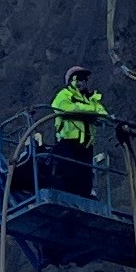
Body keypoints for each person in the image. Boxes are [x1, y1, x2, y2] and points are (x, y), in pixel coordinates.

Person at [41, 60, 107, 194]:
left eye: (84, 79)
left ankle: (84, 196)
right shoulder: (64, 95)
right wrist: (89, 111)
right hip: (68, 143)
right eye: (79, 78)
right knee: (67, 173)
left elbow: (103, 114)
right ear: (71, 80)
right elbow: (65, 108)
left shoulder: (91, 99)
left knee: (85, 179)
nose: (82, 82)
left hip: (86, 146)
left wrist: (88, 111)